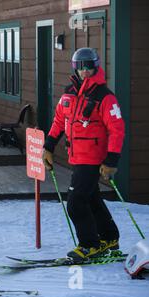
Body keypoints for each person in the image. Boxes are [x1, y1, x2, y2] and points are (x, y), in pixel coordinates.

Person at [42, 48, 125, 262]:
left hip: (93, 158)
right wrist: (48, 146)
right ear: (75, 67)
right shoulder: (69, 93)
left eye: (89, 66)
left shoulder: (105, 96)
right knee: (91, 198)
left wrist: (111, 160)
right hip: (76, 156)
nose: (85, 70)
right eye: (80, 66)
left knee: (76, 203)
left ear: (96, 67)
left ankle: (89, 245)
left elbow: (117, 129)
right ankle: (109, 238)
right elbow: (59, 121)